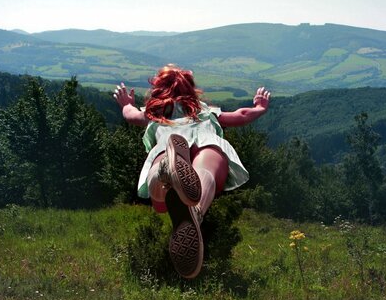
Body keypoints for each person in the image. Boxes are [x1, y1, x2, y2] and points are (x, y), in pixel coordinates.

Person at [114, 64, 270, 279]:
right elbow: (241, 115)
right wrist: (260, 107)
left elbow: (130, 115)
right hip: (207, 140)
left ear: (159, 90)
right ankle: (195, 212)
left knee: (160, 193)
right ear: (189, 90)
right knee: (206, 172)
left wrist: (126, 103)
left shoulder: (153, 113)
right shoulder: (205, 111)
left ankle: (164, 171)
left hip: (169, 143)